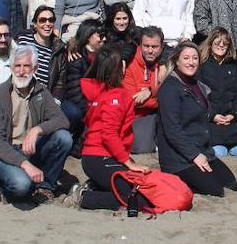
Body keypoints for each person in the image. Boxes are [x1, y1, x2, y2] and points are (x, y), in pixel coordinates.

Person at [0, 45, 74, 205]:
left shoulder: (41, 92)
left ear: (35, 68)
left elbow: (62, 120)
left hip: (30, 149)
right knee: (21, 185)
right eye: (17, 66)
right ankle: (1, 185)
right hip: (4, 154)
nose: (21, 71)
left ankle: (45, 187)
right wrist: (25, 165)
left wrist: (37, 130)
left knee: (64, 138)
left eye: (26, 66)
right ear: (11, 67)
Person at [155, 41, 237, 197]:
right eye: (186, 58)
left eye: (194, 58)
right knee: (216, 191)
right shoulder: (169, 88)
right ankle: (175, 179)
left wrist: (215, 116)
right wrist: (194, 156)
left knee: (231, 184)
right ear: (176, 61)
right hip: (179, 158)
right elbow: (172, 129)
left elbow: (203, 110)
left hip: (203, 149)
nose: (191, 62)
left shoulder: (197, 84)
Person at [79, 44, 150, 210]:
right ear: (119, 67)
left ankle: (96, 186)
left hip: (95, 156)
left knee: (135, 188)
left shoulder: (101, 91)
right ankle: (84, 198)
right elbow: (109, 135)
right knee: (138, 198)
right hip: (100, 156)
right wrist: (128, 162)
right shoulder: (117, 96)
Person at [199, 28, 237, 157]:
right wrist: (212, 115)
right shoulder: (202, 66)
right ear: (210, 44)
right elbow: (199, 96)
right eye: (217, 42)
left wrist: (234, 114)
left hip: (232, 122)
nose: (221, 45)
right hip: (211, 122)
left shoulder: (234, 65)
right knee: (219, 152)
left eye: (225, 43)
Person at [50, 18, 104, 129]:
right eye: (101, 36)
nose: (104, 39)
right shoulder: (77, 58)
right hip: (82, 107)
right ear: (89, 37)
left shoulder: (104, 56)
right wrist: (92, 109)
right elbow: (74, 92)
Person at [124, 26, 166, 154]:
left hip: (162, 113)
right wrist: (158, 94)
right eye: (146, 46)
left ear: (162, 47)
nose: (150, 50)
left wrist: (149, 91)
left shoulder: (166, 63)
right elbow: (134, 100)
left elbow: (171, 96)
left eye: (154, 47)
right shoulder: (129, 64)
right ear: (140, 45)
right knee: (142, 149)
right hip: (139, 114)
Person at [16, 6, 59, 85]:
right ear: (35, 24)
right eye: (43, 20)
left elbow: (59, 84)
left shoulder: (57, 51)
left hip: (44, 94)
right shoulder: (22, 40)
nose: (47, 24)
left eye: (51, 20)